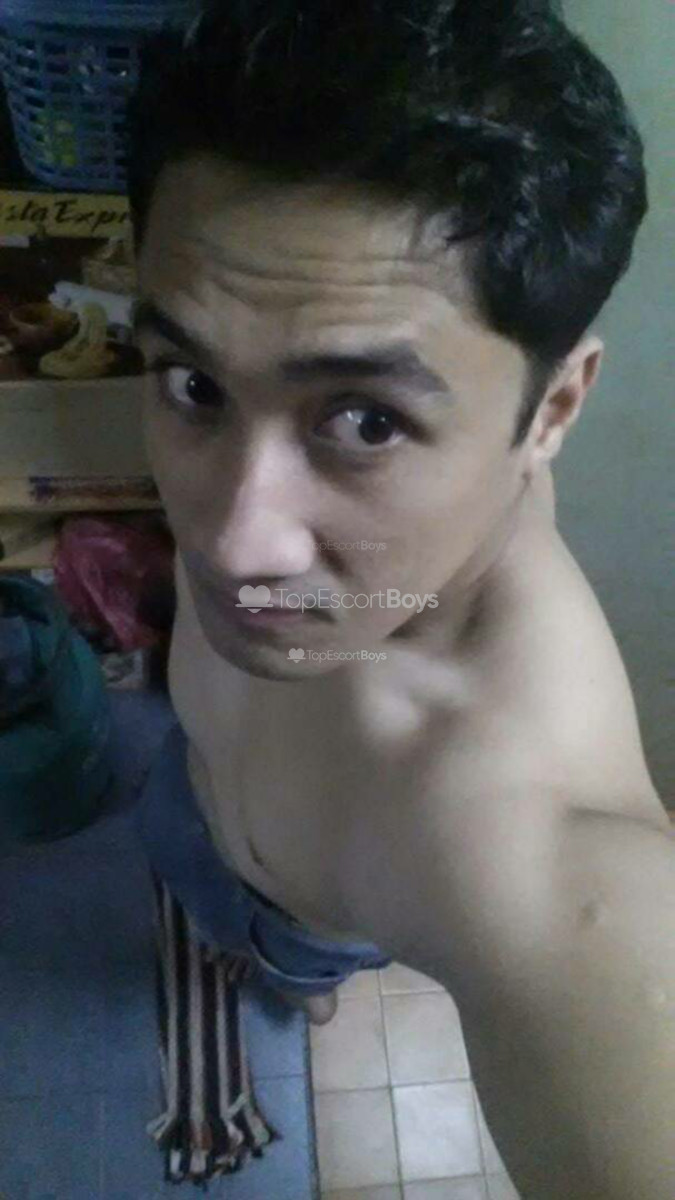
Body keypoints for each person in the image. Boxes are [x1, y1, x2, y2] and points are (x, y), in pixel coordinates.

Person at [126, 3, 674, 1196]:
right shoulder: (286, 528)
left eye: (367, 421)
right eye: (193, 383)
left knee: (295, 964)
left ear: (553, 409)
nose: (230, 539)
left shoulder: (520, 827)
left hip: (303, 918)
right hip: (184, 789)